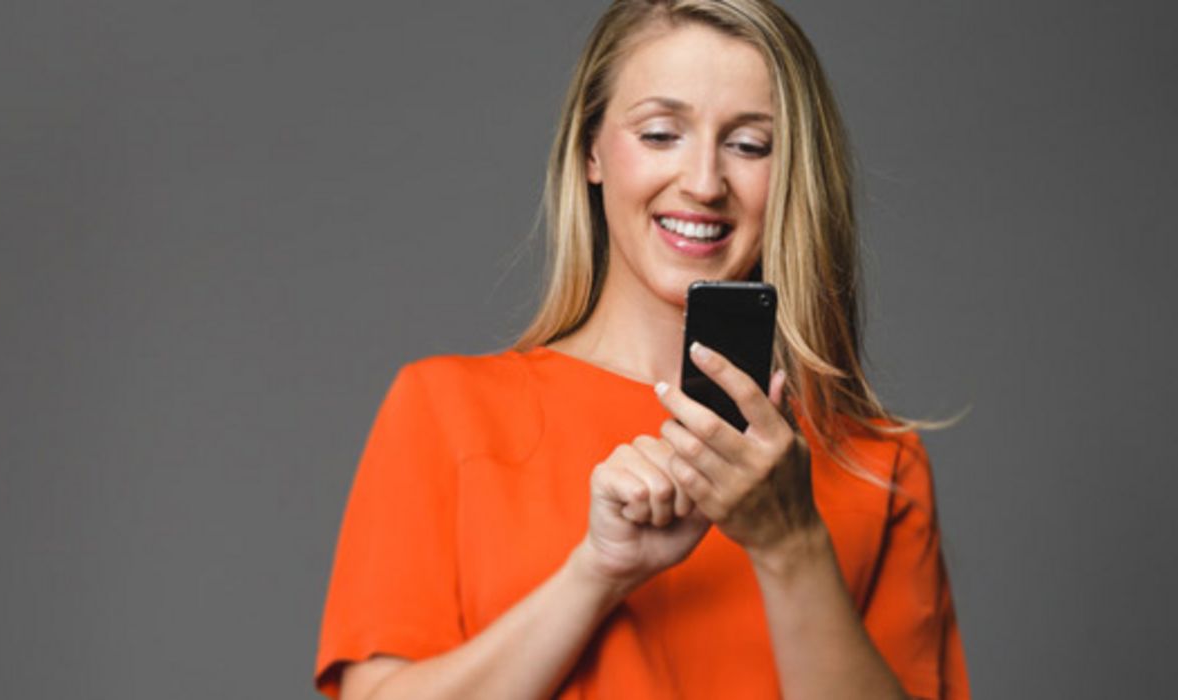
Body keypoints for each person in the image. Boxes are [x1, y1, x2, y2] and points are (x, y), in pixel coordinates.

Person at [314, 0, 968, 697]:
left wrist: (791, 544)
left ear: (793, 175)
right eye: (660, 134)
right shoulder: (447, 411)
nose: (704, 183)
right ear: (591, 150)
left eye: (749, 145)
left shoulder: (873, 460)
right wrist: (596, 572)